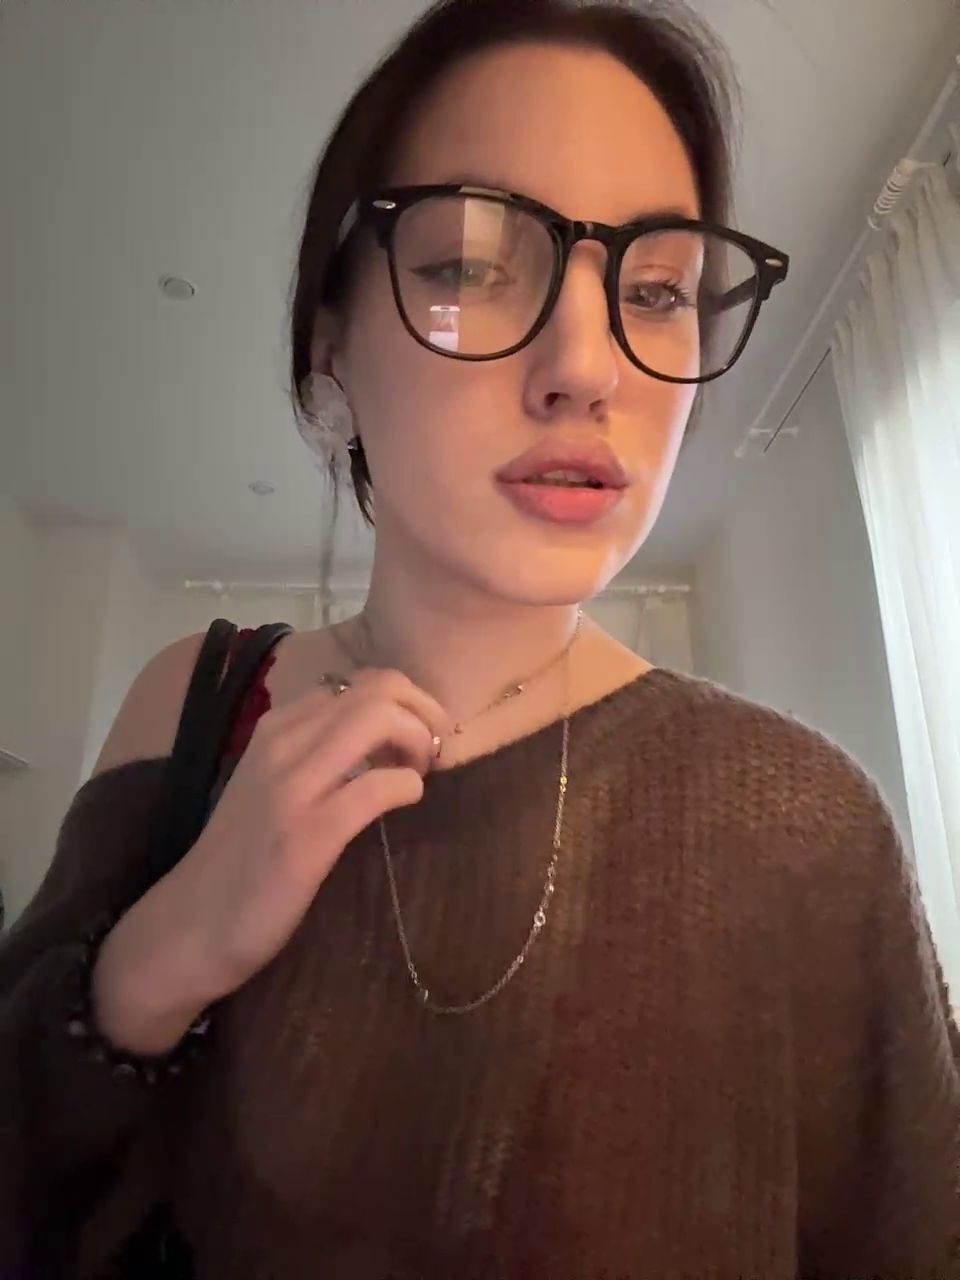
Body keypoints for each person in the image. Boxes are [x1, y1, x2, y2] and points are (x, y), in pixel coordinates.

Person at [2, 0, 958, 1276]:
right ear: (330, 347)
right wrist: (160, 957)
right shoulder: (199, 702)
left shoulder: (809, 828)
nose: (587, 366)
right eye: (467, 265)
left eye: (656, 290)